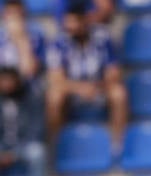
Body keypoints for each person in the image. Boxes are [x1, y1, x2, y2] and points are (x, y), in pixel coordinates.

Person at [44, 0, 127, 148]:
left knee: (118, 93)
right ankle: (57, 145)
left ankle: (118, 145)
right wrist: (80, 89)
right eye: (68, 22)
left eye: (75, 21)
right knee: (54, 96)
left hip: (99, 89)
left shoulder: (103, 38)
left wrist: (95, 87)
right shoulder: (58, 42)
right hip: (72, 93)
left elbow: (114, 73)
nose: (71, 26)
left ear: (85, 19)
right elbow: (56, 79)